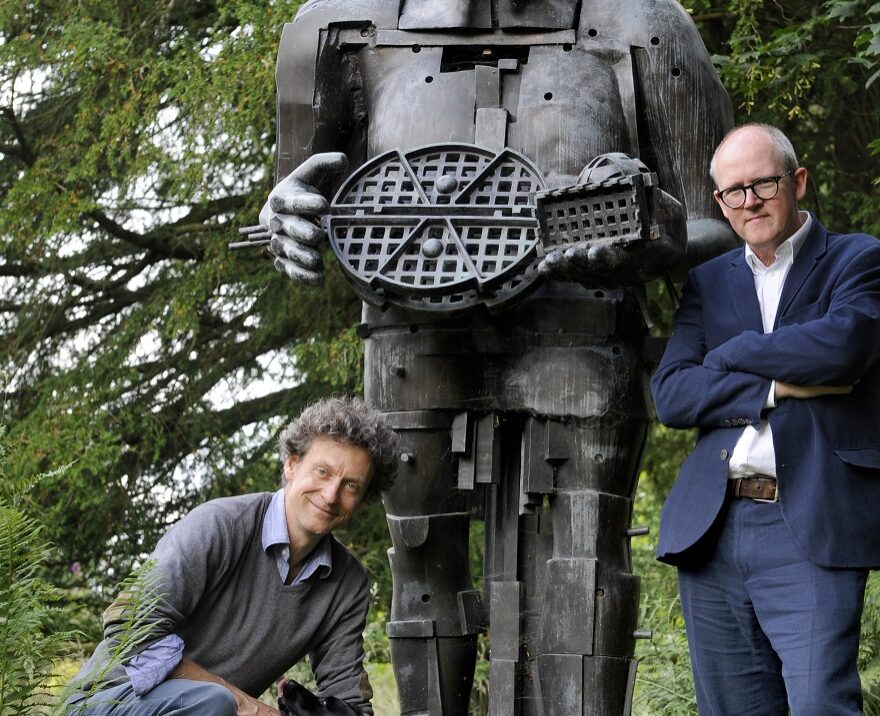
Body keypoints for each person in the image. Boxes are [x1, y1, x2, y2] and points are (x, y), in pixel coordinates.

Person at [257, 1, 737, 713]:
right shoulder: (335, 27)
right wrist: (284, 214)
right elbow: (305, 191)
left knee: (584, 564)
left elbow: (726, 220)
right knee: (421, 561)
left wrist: (652, 237)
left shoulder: (645, 24)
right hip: (410, 340)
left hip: (583, 332)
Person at [650, 123, 880, 715]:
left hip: (812, 520)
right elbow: (671, 394)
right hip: (714, 529)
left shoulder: (860, 260)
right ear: (719, 203)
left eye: (763, 184)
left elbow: (841, 349)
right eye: (732, 192)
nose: (749, 202)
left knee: (821, 703)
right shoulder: (707, 282)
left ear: (796, 181)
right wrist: (775, 386)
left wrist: (730, 354)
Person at [67, 397, 399, 716]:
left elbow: (346, 696)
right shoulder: (220, 525)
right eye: (322, 472)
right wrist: (248, 706)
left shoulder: (348, 583)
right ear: (292, 464)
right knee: (214, 704)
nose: (330, 496)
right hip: (107, 703)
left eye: (350, 486)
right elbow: (129, 628)